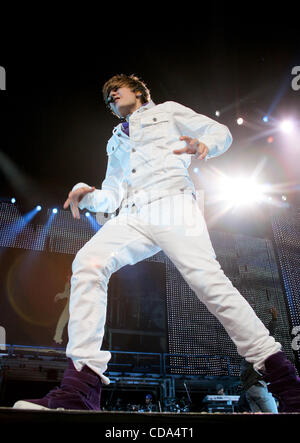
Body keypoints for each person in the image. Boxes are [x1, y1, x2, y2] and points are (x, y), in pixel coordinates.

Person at [13, 74, 300, 412]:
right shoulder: (116, 141)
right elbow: (114, 193)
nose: (111, 97)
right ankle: (80, 389)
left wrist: (204, 145)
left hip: (173, 203)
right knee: (88, 263)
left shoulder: (168, 111)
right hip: (134, 213)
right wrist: (90, 196)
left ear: (137, 90)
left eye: (115, 90)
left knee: (210, 285)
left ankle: (286, 383)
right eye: (106, 97)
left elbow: (220, 133)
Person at [240, 307, 279, 413]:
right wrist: (274, 319)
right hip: (258, 387)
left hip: (249, 390)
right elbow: (268, 335)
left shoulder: (246, 355)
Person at [53, 273, 71, 346]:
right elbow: (66, 294)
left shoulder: (77, 283)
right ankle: (57, 340)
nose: (67, 277)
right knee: (61, 322)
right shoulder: (67, 284)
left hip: (77, 307)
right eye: (67, 276)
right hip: (69, 306)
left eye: (68, 276)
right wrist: (59, 296)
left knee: (75, 326)